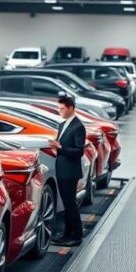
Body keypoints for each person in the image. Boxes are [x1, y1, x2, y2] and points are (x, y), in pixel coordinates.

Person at [50, 94, 87, 247]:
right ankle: (67, 234)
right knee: (66, 203)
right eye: (59, 109)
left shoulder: (78, 126)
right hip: (63, 168)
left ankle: (77, 236)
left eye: (63, 109)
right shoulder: (62, 124)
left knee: (70, 203)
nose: (60, 112)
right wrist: (57, 149)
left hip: (70, 171)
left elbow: (79, 151)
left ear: (71, 108)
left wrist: (61, 148)